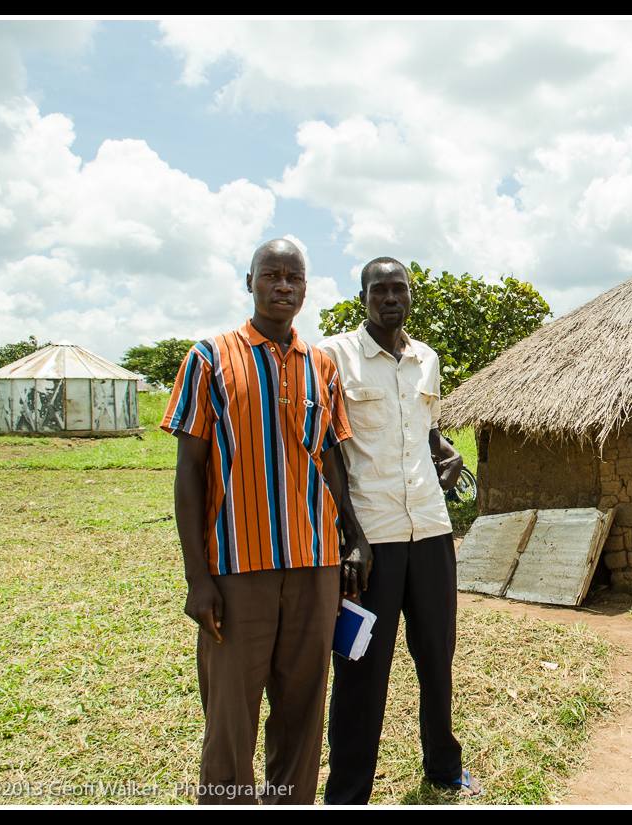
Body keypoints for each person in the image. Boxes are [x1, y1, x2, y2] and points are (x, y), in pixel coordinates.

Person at [163, 238, 372, 805]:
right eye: (271, 275)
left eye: (293, 278)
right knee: (230, 716)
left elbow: (330, 459)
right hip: (237, 567)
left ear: (305, 288)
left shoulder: (321, 366)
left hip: (314, 564)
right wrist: (197, 578)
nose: (283, 286)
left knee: (303, 710)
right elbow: (190, 472)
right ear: (249, 282)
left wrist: (352, 537)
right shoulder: (209, 358)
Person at [320, 256, 481, 802]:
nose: (390, 298)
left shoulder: (425, 359)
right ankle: (348, 792)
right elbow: (328, 452)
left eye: (399, 289)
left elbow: (423, 428)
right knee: (361, 669)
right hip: (373, 540)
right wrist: (351, 538)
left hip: (431, 530)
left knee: (437, 657)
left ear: (410, 296)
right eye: (379, 290)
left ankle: (443, 766)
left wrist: (448, 451)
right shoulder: (334, 356)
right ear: (363, 297)